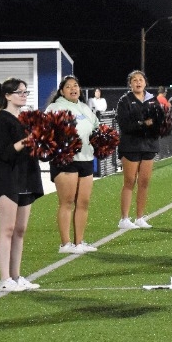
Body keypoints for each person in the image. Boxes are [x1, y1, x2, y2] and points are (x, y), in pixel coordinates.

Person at [0, 78, 44, 292]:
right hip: (6, 178)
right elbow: (0, 152)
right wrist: (26, 141)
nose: (23, 95)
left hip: (26, 177)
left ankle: (16, 276)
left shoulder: (26, 119)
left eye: (25, 92)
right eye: (19, 92)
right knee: (7, 229)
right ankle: (4, 279)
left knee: (20, 230)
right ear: (7, 95)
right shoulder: (0, 120)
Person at [46, 75, 100, 254]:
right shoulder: (54, 108)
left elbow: (96, 129)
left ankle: (79, 242)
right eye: (68, 86)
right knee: (67, 202)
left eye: (75, 85)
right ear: (62, 91)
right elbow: (48, 131)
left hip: (86, 159)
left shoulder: (85, 108)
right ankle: (65, 244)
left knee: (83, 202)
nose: (73, 88)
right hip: (66, 160)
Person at [116, 70, 159, 229]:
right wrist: (142, 124)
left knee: (144, 182)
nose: (138, 82)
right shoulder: (124, 101)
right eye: (134, 80)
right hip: (131, 145)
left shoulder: (153, 100)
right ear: (130, 84)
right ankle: (124, 219)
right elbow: (124, 124)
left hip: (149, 145)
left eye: (141, 80)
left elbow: (158, 121)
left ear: (145, 83)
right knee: (129, 181)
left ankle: (140, 217)